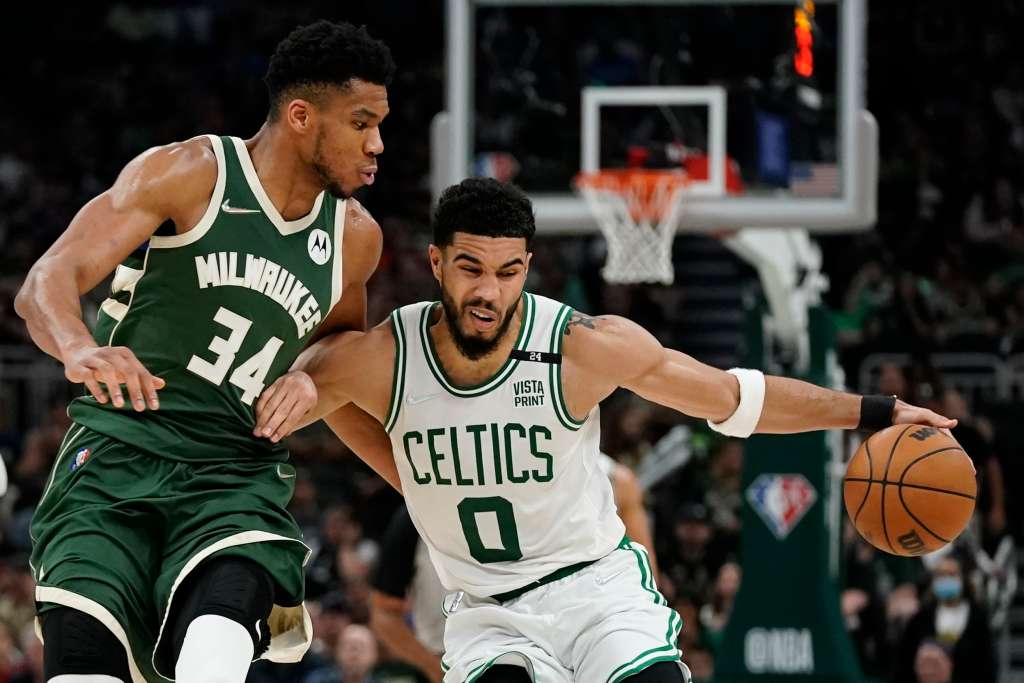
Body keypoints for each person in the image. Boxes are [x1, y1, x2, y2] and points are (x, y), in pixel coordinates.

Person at [274, 178, 955, 682]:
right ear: (435, 263)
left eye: (509, 271)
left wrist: (875, 411)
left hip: (596, 593)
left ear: (528, 269)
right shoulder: (386, 358)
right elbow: (308, 388)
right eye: (471, 268)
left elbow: (733, 396)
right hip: (487, 612)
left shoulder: (581, 346)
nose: (489, 292)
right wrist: (405, 473)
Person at [14, 20, 400, 683]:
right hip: (116, 459)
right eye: (361, 123)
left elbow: (338, 345)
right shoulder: (191, 172)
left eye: (381, 123)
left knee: (210, 662)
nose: (377, 144)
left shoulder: (355, 237)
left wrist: (310, 380)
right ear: (302, 117)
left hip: (231, 474)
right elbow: (47, 280)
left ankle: (260, 608)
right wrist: (78, 347)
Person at [368, 456, 655, 683]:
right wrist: (432, 667)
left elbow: (644, 580)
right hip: (456, 652)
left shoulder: (613, 482)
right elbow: (383, 611)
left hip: (581, 636)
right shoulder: (418, 513)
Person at [896, 555, 995, 683]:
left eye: (952, 574)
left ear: (963, 579)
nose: (946, 579)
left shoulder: (977, 619)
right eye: (941, 575)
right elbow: (903, 664)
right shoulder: (920, 618)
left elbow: (988, 666)